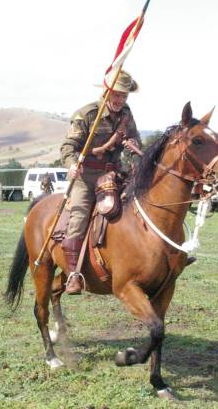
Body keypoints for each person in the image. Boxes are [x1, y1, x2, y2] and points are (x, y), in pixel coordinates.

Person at [60, 70, 142, 294]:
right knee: (78, 216)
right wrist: (73, 164)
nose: (120, 101)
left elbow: (136, 141)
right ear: (106, 92)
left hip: (114, 175)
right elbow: (67, 148)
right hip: (86, 178)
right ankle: (73, 275)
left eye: (124, 96)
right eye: (116, 95)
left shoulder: (126, 114)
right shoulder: (87, 114)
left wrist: (135, 152)